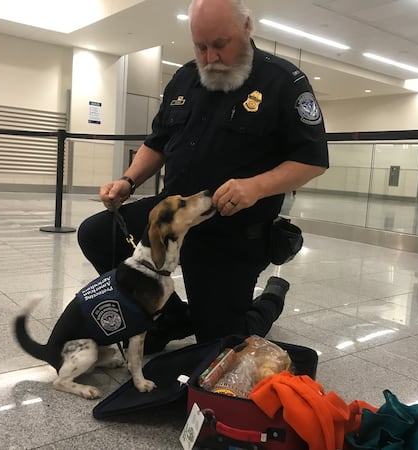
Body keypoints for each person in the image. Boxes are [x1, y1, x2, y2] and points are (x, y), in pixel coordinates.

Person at [77, 0, 329, 352]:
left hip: (232, 232)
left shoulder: (283, 82)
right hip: (174, 216)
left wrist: (256, 186)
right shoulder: (183, 79)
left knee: (220, 345)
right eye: (201, 46)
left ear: (246, 28)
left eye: (220, 44)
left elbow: (312, 159)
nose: (210, 57)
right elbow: (158, 142)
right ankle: (172, 318)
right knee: (97, 234)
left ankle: (271, 298)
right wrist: (128, 181)